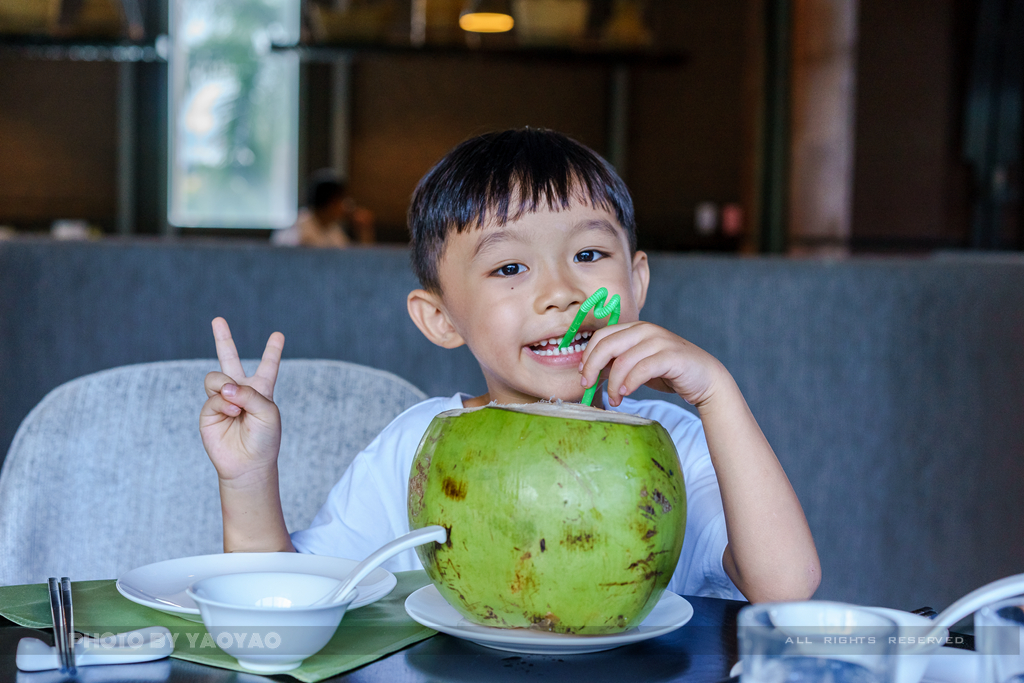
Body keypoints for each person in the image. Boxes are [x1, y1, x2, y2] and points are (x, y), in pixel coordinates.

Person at [201, 128, 820, 602]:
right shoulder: (419, 447)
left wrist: (717, 394)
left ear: (636, 281)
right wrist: (247, 478)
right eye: (510, 268)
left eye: (588, 252)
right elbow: (285, 597)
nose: (560, 292)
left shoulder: (677, 444)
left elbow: (785, 588)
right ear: (440, 318)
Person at [271, 169, 375, 247]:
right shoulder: (299, 233)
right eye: (342, 200)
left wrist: (364, 231)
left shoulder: (332, 229)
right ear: (331, 203)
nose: (346, 205)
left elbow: (351, 261)